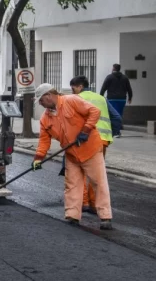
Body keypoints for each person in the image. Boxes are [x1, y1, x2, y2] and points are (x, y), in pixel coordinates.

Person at [32, 83, 113, 230]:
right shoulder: (46, 118)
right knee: (72, 185)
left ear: (48, 95)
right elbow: (44, 140)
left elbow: (94, 111)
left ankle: (105, 216)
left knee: (98, 183)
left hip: (90, 150)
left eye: (41, 100)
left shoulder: (71, 100)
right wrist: (38, 158)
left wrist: (86, 130)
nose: (41, 104)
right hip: (71, 154)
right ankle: (72, 215)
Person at [67, 76, 122, 214]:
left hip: (83, 140)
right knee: (97, 173)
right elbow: (117, 117)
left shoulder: (76, 99)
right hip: (102, 140)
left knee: (81, 171)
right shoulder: (101, 98)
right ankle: (93, 204)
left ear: (79, 86)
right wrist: (111, 133)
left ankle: (83, 202)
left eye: (73, 88)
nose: (72, 91)